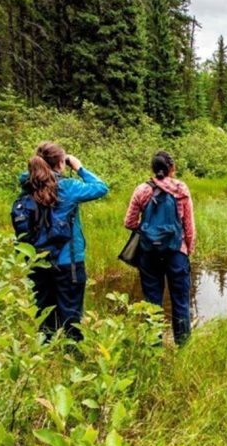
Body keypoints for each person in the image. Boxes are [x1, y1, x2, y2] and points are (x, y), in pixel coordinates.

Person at [19, 141, 108, 341]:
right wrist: (78, 167)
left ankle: (47, 355)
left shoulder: (27, 186)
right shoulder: (67, 187)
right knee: (71, 313)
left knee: (44, 311)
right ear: (61, 164)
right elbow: (101, 188)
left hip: (37, 261)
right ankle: (72, 355)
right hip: (68, 262)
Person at [124, 150, 196, 345]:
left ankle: (153, 348)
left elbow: (129, 222)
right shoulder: (181, 189)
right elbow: (189, 227)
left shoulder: (142, 190)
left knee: (152, 302)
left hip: (148, 253)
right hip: (176, 252)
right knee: (180, 301)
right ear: (172, 168)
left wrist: (148, 230)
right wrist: (188, 250)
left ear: (153, 169)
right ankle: (183, 346)